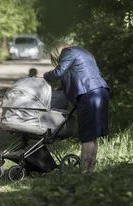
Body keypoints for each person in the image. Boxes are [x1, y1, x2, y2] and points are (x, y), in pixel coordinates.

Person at [43, 41, 110, 173]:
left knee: (86, 136)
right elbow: (78, 74)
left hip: (89, 94)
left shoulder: (68, 52)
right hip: (101, 91)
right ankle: (91, 170)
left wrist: (44, 77)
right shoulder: (85, 52)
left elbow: (59, 72)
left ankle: (84, 171)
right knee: (93, 136)